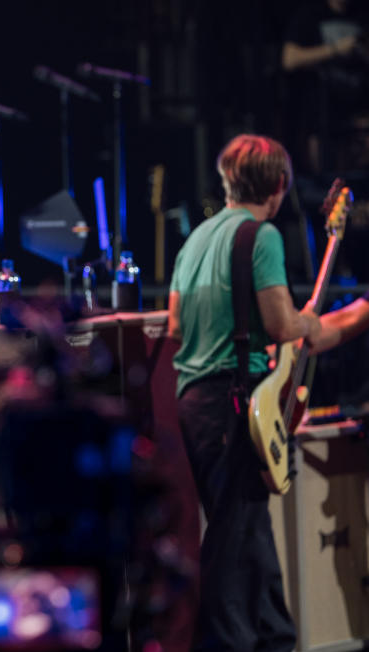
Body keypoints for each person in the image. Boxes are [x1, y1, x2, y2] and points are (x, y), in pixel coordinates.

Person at [167, 134, 322, 651]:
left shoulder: (196, 238)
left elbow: (173, 324)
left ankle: (276, 637)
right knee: (232, 542)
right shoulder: (263, 236)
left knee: (247, 527)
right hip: (236, 402)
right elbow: (282, 325)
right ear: (279, 185)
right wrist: (317, 325)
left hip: (193, 400)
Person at [282, 0, 369, 172]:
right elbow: (289, 59)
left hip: (358, 116)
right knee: (327, 183)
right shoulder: (310, 14)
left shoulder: (362, 15)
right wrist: (336, 49)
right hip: (322, 117)